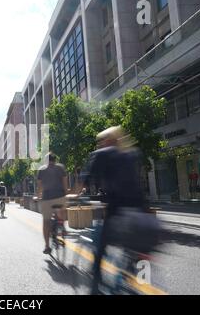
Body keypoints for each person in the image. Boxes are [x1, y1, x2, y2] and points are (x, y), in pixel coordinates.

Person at [81, 126, 146, 295]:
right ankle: (131, 270)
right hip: (140, 211)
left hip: (117, 211)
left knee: (99, 245)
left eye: (100, 141)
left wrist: (76, 193)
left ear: (106, 141)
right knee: (132, 248)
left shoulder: (101, 154)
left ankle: (95, 286)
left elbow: (85, 180)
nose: (99, 144)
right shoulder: (132, 154)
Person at [36, 152, 69, 255]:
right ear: (55, 160)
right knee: (62, 211)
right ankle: (62, 225)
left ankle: (47, 246)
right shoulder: (61, 168)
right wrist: (66, 194)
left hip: (47, 199)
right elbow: (65, 183)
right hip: (60, 197)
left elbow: (40, 186)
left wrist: (38, 196)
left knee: (46, 222)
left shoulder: (41, 170)